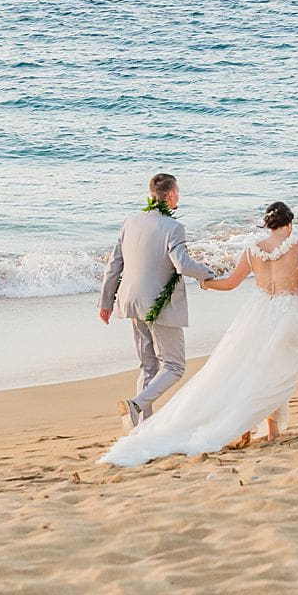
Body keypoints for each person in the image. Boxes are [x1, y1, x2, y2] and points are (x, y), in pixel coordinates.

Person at [100, 199, 298, 466]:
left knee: (250, 371)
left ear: (267, 224)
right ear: (289, 225)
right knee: (274, 373)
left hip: (255, 316)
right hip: (286, 316)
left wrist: (206, 283)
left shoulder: (253, 251)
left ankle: (253, 428)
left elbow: (230, 284)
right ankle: (266, 429)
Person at [99, 172, 218, 428]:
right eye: (178, 193)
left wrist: (106, 302)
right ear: (172, 195)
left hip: (130, 300)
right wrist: (209, 273)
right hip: (158, 305)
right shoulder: (174, 228)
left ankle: (142, 428)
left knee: (148, 364)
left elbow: (114, 265)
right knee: (174, 366)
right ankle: (136, 405)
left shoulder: (130, 221)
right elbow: (182, 264)